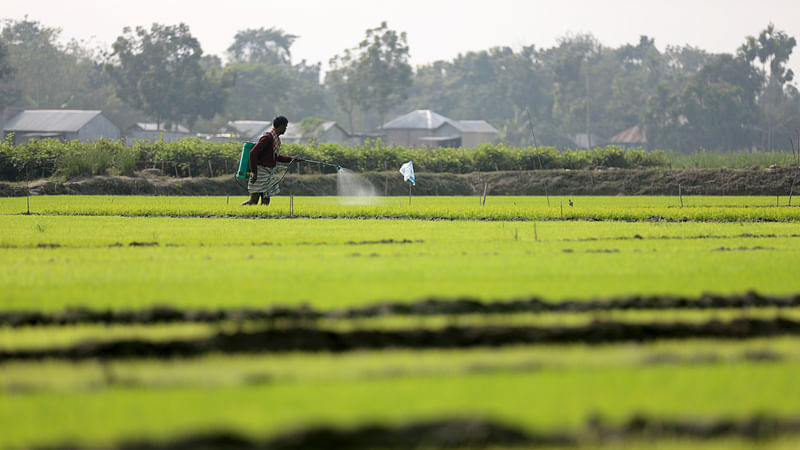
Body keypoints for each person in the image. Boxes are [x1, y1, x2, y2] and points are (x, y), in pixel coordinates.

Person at [241, 116, 298, 205]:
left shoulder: (275, 139)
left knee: (266, 200)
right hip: (260, 172)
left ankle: (264, 217)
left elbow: (275, 157)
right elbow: (252, 153)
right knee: (253, 201)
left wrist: (291, 159)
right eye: (285, 127)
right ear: (280, 126)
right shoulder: (267, 138)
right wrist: (254, 173)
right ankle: (241, 215)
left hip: (268, 172)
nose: (286, 129)